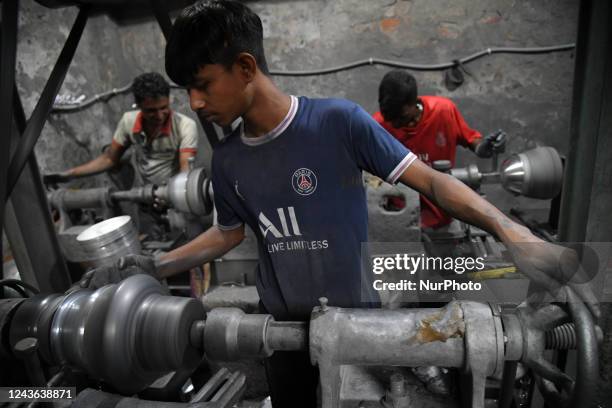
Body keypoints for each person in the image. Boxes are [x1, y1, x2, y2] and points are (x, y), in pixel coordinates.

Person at [82, 1, 598, 406]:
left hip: (362, 327)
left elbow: (434, 184)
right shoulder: (230, 162)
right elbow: (229, 233)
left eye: (201, 85)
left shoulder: (338, 123)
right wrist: (154, 264)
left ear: (244, 67)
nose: (193, 103)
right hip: (281, 334)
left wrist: (515, 234)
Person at [373, 70, 506, 229]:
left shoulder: (444, 111)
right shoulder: (378, 126)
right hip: (399, 217)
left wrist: (482, 148)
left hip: (443, 215)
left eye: (400, 118)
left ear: (413, 102)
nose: (394, 125)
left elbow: (472, 141)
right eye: (389, 119)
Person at [44, 72, 198, 187]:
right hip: (146, 196)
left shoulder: (185, 126)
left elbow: (186, 169)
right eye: (151, 110)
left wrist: (178, 194)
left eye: (163, 108)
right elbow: (110, 159)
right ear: (139, 106)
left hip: (177, 193)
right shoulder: (128, 122)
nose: (159, 116)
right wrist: (70, 174)